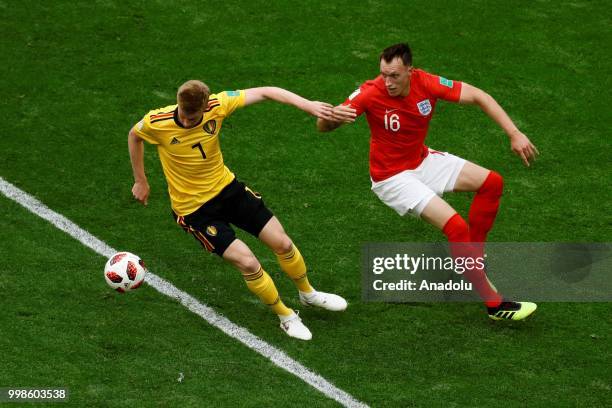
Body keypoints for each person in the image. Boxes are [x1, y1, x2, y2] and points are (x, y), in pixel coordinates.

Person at [316, 43, 538, 320]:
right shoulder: (370, 93)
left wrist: (514, 133)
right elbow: (322, 127)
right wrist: (332, 119)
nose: (388, 82)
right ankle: (495, 305)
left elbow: (479, 96)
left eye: (394, 75)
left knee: (492, 182)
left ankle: (471, 260)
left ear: (410, 70)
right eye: (384, 74)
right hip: (391, 178)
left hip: (421, 160)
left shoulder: (427, 83)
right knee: (456, 227)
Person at [128, 80, 350, 340]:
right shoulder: (157, 121)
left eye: (194, 117)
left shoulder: (218, 105)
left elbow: (267, 91)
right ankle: (285, 316)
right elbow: (135, 135)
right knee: (248, 262)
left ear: (205, 106)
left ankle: (308, 294)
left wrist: (308, 105)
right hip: (195, 211)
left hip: (228, 190)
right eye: (185, 116)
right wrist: (141, 180)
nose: (188, 123)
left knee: (283, 243)